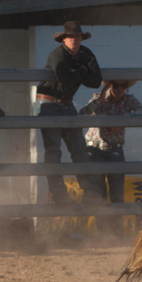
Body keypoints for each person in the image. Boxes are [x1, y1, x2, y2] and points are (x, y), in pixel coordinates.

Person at [35, 21, 104, 205]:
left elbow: (96, 81)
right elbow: (64, 78)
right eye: (70, 37)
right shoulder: (57, 54)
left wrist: (76, 71)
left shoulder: (85, 53)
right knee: (54, 151)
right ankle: (59, 196)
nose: (73, 40)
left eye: (77, 36)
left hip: (66, 104)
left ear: (81, 38)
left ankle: (90, 193)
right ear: (64, 39)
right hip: (49, 103)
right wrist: (82, 70)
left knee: (79, 148)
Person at [79, 79, 142, 205]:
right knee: (99, 196)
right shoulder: (99, 99)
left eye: (123, 86)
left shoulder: (128, 100)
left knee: (117, 195)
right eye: (116, 85)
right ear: (109, 86)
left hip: (115, 149)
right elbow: (83, 113)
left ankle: (116, 225)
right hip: (95, 149)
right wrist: (100, 100)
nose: (119, 89)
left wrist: (121, 120)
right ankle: (104, 225)